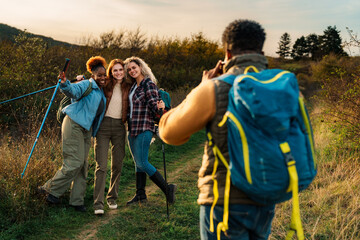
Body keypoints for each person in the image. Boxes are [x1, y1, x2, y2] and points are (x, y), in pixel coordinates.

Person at [159, 19, 275, 239]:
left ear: (228, 54)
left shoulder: (215, 88)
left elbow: (169, 132)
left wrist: (200, 88)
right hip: (266, 199)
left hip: (225, 202)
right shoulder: (280, 87)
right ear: (261, 51)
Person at [39, 56, 107, 212]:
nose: (103, 77)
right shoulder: (86, 84)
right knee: (74, 162)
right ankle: (48, 189)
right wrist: (64, 83)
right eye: (100, 75)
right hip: (73, 124)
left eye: (105, 75)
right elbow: (72, 91)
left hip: (86, 130)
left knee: (82, 166)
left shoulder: (102, 92)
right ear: (93, 75)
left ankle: (77, 201)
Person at [123, 56, 176, 206]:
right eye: (129, 70)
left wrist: (160, 109)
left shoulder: (148, 84)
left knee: (142, 162)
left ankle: (168, 188)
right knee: (137, 163)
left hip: (144, 127)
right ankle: (140, 194)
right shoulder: (134, 86)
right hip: (132, 128)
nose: (132, 71)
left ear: (140, 67)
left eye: (134, 67)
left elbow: (155, 107)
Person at [93, 59, 134, 215]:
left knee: (117, 164)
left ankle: (112, 197)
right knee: (101, 166)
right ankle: (98, 203)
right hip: (103, 127)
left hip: (119, 127)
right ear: (111, 72)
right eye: (115, 70)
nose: (118, 73)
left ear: (124, 71)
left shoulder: (129, 87)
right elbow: (92, 82)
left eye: (120, 70)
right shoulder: (105, 84)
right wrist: (78, 80)